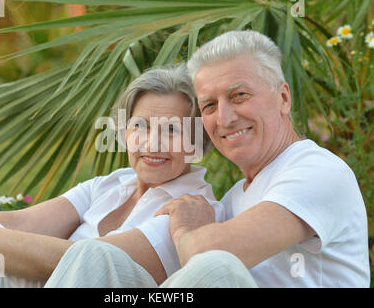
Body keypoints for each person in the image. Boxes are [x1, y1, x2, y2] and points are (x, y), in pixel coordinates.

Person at [45, 30, 370, 288]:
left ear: (282, 97)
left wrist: (186, 229)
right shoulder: (234, 199)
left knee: (218, 264)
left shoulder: (317, 171)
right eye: (210, 105)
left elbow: (209, 259)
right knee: (95, 256)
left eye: (239, 95)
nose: (225, 118)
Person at [0, 65, 224, 288]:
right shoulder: (111, 185)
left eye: (171, 129)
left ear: (197, 142)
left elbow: (82, 265)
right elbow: (20, 223)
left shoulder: (192, 210)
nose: (151, 142)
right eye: (141, 126)